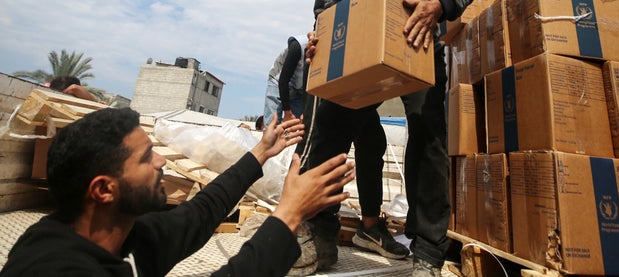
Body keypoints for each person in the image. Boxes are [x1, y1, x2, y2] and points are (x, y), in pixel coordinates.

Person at [297, 0, 476, 277]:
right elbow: (327, 13)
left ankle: (428, 251)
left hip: (415, 50)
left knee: (427, 134)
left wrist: (436, 5)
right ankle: (319, 238)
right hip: (361, 62)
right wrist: (318, 40)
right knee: (326, 132)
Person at [0, 107, 355, 277]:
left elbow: (201, 212)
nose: (160, 162)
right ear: (104, 190)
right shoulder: (54, 269)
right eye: (145, 158)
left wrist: (261, 152)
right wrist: (288, 213)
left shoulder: (121, 235)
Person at [291, 0, 410, 274]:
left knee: (372, 140)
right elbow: (325, 6)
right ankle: (312, 232)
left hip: (365, 61)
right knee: (323, 144)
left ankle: (370, 228)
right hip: (336, 58)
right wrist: (328, 38)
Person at [264, 35, 306, 125]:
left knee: (299, 128)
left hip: (299, 88)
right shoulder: (297, 46)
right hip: (278, 82)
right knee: (272, 126)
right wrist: (287, 112)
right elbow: (283, 81)